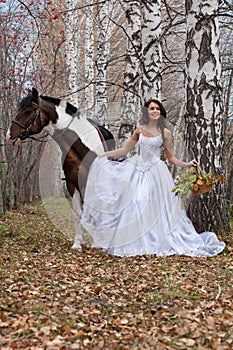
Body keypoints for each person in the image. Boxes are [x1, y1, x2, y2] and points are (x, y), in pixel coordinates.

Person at [81, 99, 225, 257]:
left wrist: (187, 164)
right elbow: (124, 149)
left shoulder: (166, 133)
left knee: (157, 208)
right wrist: (104, 155)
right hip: (137, 170)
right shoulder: (139, 130)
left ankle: (156, 240)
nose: (155, 111)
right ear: (147, 112)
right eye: (151, 109)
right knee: (135, 203)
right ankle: (136, 241)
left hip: (157, 173)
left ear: (161, 112)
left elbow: (171, 158)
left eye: (157, 108)